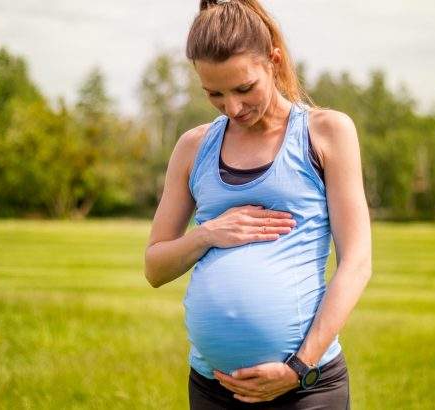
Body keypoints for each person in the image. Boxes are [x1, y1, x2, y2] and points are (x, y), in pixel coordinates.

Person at [144, 0, 372, 408]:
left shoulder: (326, 132)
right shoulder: (193, 147)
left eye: (244, 88)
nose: (232, 108)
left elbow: (357, 262)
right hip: (213, 388)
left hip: (305, 388)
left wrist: (298, 367)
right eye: (214, 93)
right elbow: (155, 268)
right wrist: (208, 235)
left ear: (273, 60)